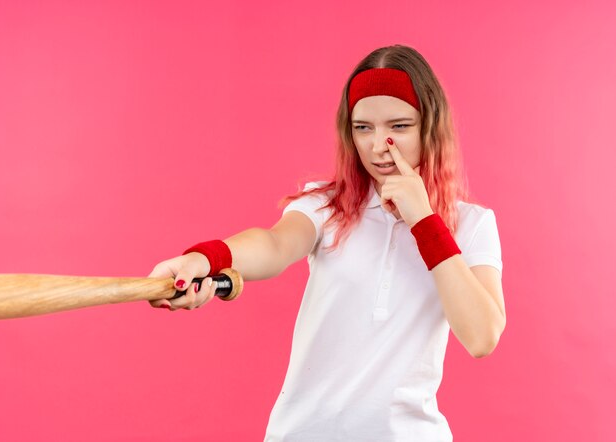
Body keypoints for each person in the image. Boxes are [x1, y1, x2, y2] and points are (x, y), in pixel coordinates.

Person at [148, 44, 506, 441]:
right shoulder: (326, 205)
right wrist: (205, 260)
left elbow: (482, 336)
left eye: (399, 126)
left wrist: (423, 219)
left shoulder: (471, 224)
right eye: (363, 127)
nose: (377, 146)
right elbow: (273, 245)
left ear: (430, 126)